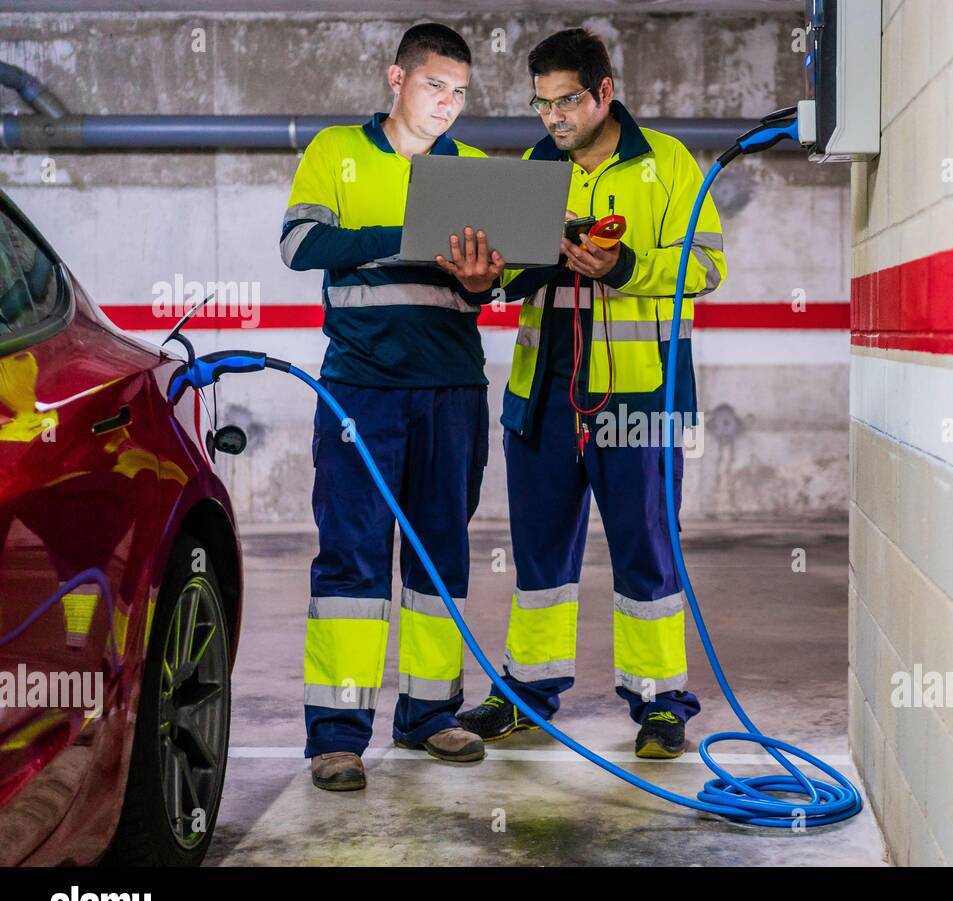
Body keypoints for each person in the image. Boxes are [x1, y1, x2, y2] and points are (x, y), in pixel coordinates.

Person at [456, 28, 726, 759]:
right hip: (542, 394)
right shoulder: (530, 171)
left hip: (641, 399)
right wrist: (492, 278)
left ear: (604, 91)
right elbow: (508, 281)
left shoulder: (667, 163)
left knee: (647, 551)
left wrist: (622, 262)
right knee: (538, 553)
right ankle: (527, 693)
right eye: (541, 104)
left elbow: (704, 266)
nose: (553, 118)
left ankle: (660, 702)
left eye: (566, 101)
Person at [279, 22, 505, 791]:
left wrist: (481, 279)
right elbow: (301, 244)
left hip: (451, 391)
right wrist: (409, 234)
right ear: (396, 79)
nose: (447, 103)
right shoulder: (335, 151)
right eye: (434, 85)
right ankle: (338, 736)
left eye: (459, 92)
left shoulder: (473, 168)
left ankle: (430, 716)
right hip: (360, 390)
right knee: (352, 557)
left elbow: (488, 288)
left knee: (439, 558)